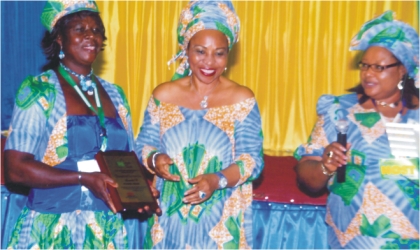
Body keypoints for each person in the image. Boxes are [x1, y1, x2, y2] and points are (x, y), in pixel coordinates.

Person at [4, 0, 160, 249]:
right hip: (51, 229)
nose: (91, 35)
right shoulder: (39, 89)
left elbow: (125, 160)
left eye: (96, 29)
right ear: (59, 38)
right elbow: (16, 169)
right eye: (79, 29)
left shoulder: (115, 94)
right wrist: (82, 178)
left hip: (105, 229)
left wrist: (142, 189)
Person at [134, 0, 264, 248]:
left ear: (228, 54)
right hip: (169, 219)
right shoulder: (163, 95)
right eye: (200, 51)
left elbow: (252, 161)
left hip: (220, 223)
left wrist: (217, 180)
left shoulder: (242, 99)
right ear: (186, 49)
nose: (209, 62)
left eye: (219, 52)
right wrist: (155, 159)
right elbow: (144, 144)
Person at [294, 10, 419, 249]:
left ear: (402, 70)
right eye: (365, 65)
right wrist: (325, 166)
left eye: (379, 68)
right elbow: (306, 176)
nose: (368, 73)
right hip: (349, 240)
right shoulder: (339, 110)